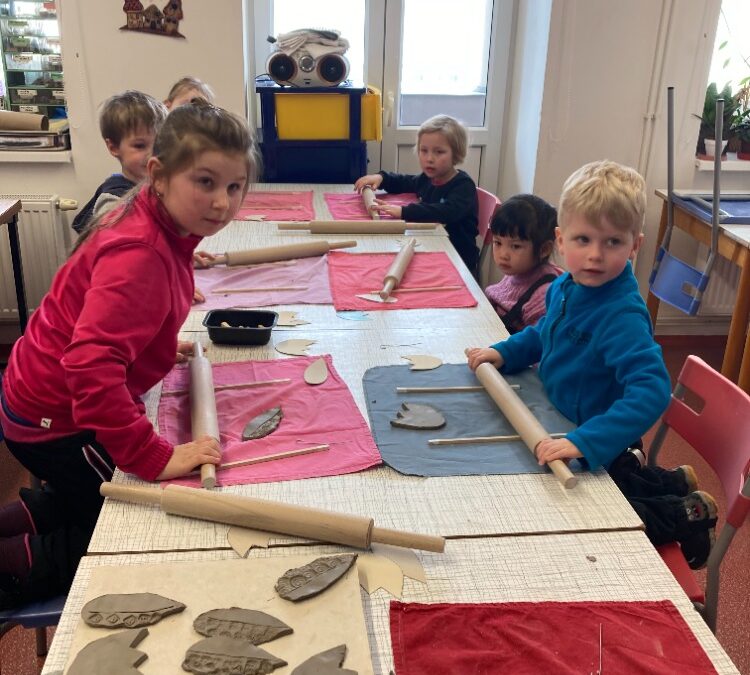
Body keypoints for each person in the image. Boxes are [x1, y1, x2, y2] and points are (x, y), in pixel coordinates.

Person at [0, 100, 257, 608]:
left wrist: (152, 343)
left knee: (82, 498)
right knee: (129, 524)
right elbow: (89, 367)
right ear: (158, 175)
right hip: (57, 419)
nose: (222, 203)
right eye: (205, 182)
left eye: (235, 186)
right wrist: (151, 456)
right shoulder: (140, 251)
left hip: (35, 396)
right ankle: (16, 566)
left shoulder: (160, 221)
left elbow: (111, 317)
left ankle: (25, 518)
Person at [467, 160, 718, 570]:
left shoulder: (620, 315)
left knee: (596, 517)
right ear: (561, 240)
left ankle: (686, 516)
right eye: (583, 239)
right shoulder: (565, 286)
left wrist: (586, 442)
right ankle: (670, 481)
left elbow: (652, 390)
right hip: (563, 417)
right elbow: (548, 331)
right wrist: (507, 351)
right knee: (604, 484)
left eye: (613, 242)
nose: (596, 255)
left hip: (599, 433)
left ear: (635, 245)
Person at [354, 114, 479, 273]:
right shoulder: (428, 178)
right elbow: (406, 181)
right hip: (431, 249)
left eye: (439, 152)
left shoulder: (463, 185)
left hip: (458, 262)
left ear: (456, 153)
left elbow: (444, 212)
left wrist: (404, 211)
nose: (429, 158)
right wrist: (382, 178)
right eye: (424, 150)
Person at [71, 90, 167, 234]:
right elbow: (117, 244)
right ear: (114, 147)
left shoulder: (159, 186)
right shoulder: (113, 202)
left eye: (159, 143)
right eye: (140, 146)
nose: (153, 154)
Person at [484, 194, 563, 333]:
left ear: (544, 249)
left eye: (515, 246)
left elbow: (537, 341)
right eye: (498, 243)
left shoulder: (543, 296)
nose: (503, 255)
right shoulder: (518, 269)